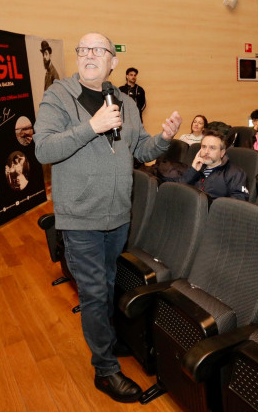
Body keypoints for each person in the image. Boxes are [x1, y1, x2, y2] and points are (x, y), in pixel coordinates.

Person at [34, 32, 182, 403]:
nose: (88, 55)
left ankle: (108, 342)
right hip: (80, 216)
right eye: (83, 49)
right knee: (95, 292)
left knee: (109, 281)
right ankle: (105, 370)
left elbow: (141, 149)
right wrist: (91, 126)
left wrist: (163, 138)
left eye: (98, 50)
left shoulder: (127, 102)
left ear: (113, 62)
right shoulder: (58, 96)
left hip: (117, 215)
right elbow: (43, 149)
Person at [182, 130, 249, 200]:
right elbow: (179, 191)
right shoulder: (195, 169)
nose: (206, 152)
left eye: (212, 148)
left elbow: (240, 200)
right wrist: (193, 170)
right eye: (204, 147)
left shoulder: (235, 173)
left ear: (222, 153)